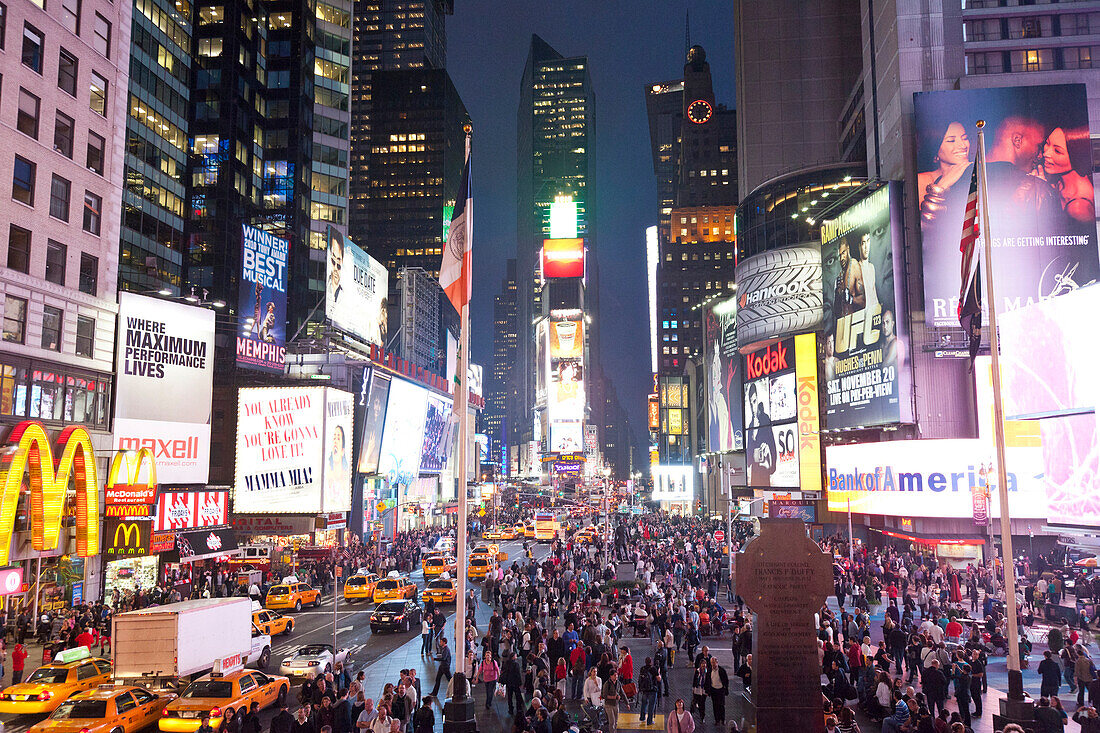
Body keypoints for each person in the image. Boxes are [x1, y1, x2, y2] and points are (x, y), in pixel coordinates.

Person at [1039, 125, 1096, 225]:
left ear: (1077, 156)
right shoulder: (1058, 180)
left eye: (1057, 151)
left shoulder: (1078, 208)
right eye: (1047, 143)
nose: (1046, 153)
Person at [917, 120, 972, 216]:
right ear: (935, 147)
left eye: (964, 138)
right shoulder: (922, 180)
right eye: (951, 140)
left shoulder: (976, 171)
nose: (963, 145)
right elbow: (921, 225)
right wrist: (941, 186)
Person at [704, 656, 729, 727]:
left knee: (722, 705)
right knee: (715, 705)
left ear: (717, 662)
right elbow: (707, 680)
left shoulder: (721, 670)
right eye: (712, 662)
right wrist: (707, 690)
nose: (713, 664)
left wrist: (725, 688)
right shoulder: (709, 671)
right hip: (713, 690)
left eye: (714, 662)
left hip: (721, 690)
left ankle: (723, 719)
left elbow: (726, 680)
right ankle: (717, 720)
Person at [638, 657, 660, 726]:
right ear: (651, 662)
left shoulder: (642, 668)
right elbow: (659, 679)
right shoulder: (653, 669)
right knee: (651, 706)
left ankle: (642, 717)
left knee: (643, 704)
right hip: (652, 690)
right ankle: (649, 721)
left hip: (644, 689)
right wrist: (658, 672)